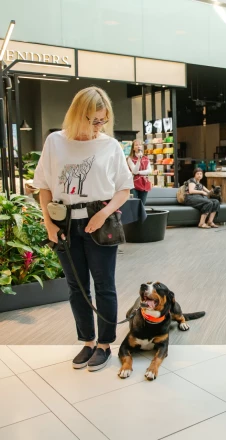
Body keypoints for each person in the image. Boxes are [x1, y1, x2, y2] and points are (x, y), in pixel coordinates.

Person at [32, 87, 133, 372]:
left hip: (98, 220)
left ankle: (104, 344)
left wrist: (103, 213)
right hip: (64, 221)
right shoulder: (55, 142)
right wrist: (48, 222)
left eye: (102, 121)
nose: (96, 127)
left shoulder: (109, 145)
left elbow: (124, 189)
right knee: (76, 286)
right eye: (92, 120)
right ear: (78, 115)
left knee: (104, 285)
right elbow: (45, 186)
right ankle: (87, 341)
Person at [126, 139, 152, 206]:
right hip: (134, 184)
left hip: (144, 183)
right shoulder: (130, 159)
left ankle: (141, 216)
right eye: (136, 145)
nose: (138, 146)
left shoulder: (146, 158)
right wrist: (138, 160)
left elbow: (149, 171)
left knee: (142, 205)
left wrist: (139, 172)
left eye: (140, 145)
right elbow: (134, 171)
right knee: (134, 204)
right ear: (133, 148)